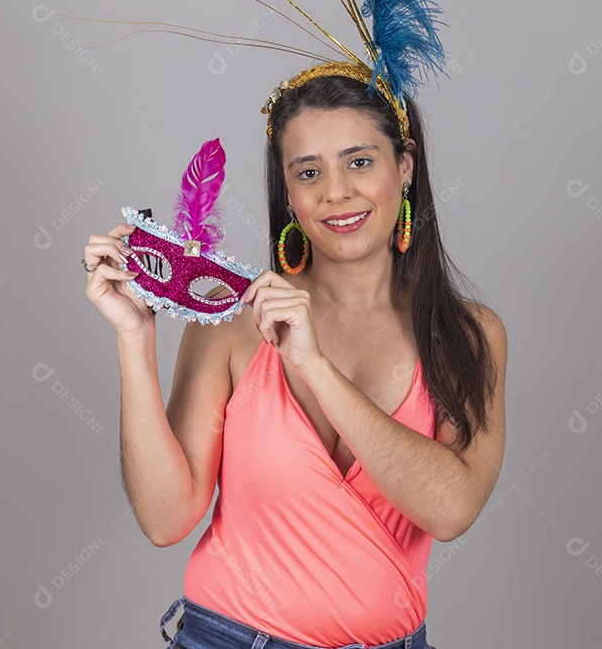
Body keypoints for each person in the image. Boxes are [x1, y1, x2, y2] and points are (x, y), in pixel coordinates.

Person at [83, 68, 508, 649]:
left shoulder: (466, 336)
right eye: (308, 172)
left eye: (360, 162)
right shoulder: (232, 322)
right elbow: (166, 519)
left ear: (404, 165)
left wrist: (313, 365)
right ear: (288, 190)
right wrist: (134, 340)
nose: (336, 192)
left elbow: (451, 510)